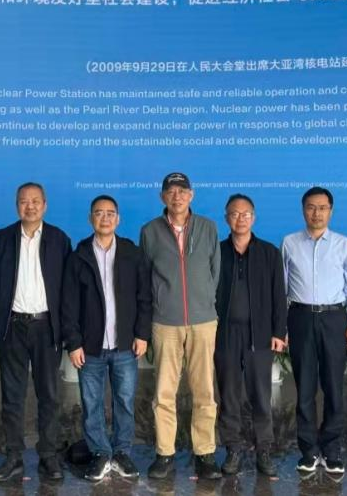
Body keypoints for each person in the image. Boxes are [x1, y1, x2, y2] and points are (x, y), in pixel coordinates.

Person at [62, 195, 153, 482]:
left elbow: (144, 297)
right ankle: (100, 453)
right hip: (90, 347)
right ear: (90, 218)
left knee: (124, 401)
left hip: (125, 344)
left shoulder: (131, 253)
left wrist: (142, 334)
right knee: (92, 403)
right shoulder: (78, 256)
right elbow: (68, 304)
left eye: (110, 213)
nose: (105, 218)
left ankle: (122, 452)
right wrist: (74, 342)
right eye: (99, 213)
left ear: (118, 219)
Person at [139, 172, 222, 480]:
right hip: (165, 322)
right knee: (164, 391)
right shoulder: (149, 231)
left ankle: (205, 454)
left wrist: (204, 303)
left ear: (192, 195)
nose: (177, 196)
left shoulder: (208, 227)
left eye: (182, 191)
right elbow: (146, 276)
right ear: (163, 196)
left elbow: (215, 272)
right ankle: (165, 454)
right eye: (171, 191)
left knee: (204, 391)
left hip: (203, 322)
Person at [0, 182, 72, 483]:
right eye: (24, 201)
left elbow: (67, 290)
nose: (30, 206)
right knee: (12, 396)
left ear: (45, 205)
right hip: (12, 327)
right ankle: (13, 456)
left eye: (35, 201)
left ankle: (48, 455)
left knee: (48, 395)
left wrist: (67, 330)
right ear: (17, 206)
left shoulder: (59, 239)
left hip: (46, 327)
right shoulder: (2, 238)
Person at [280, 186, 347, 476]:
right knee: (304, 388)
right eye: (311, 207)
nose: (317, 213)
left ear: (331, 210)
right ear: (303, 210)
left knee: (333, 387)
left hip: (334, 319)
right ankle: (308, 451)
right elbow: (281, 287)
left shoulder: (343, 244)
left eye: (323, 207)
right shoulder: (289, 242)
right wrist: (282, 325)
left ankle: (331, 449)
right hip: (300, 317)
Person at [215, 194, 286, 477]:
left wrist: (279, 331)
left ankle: (263, 449)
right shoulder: (217, 251)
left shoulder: (269, 253)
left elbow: (279, 296)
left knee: (261, 395)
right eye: (235, 214)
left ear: (253, 218)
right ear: (226, 218)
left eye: (246, 214)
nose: (240, 219)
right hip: (225, 335)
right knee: (229, 394)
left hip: (260, 335)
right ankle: (233, 449)